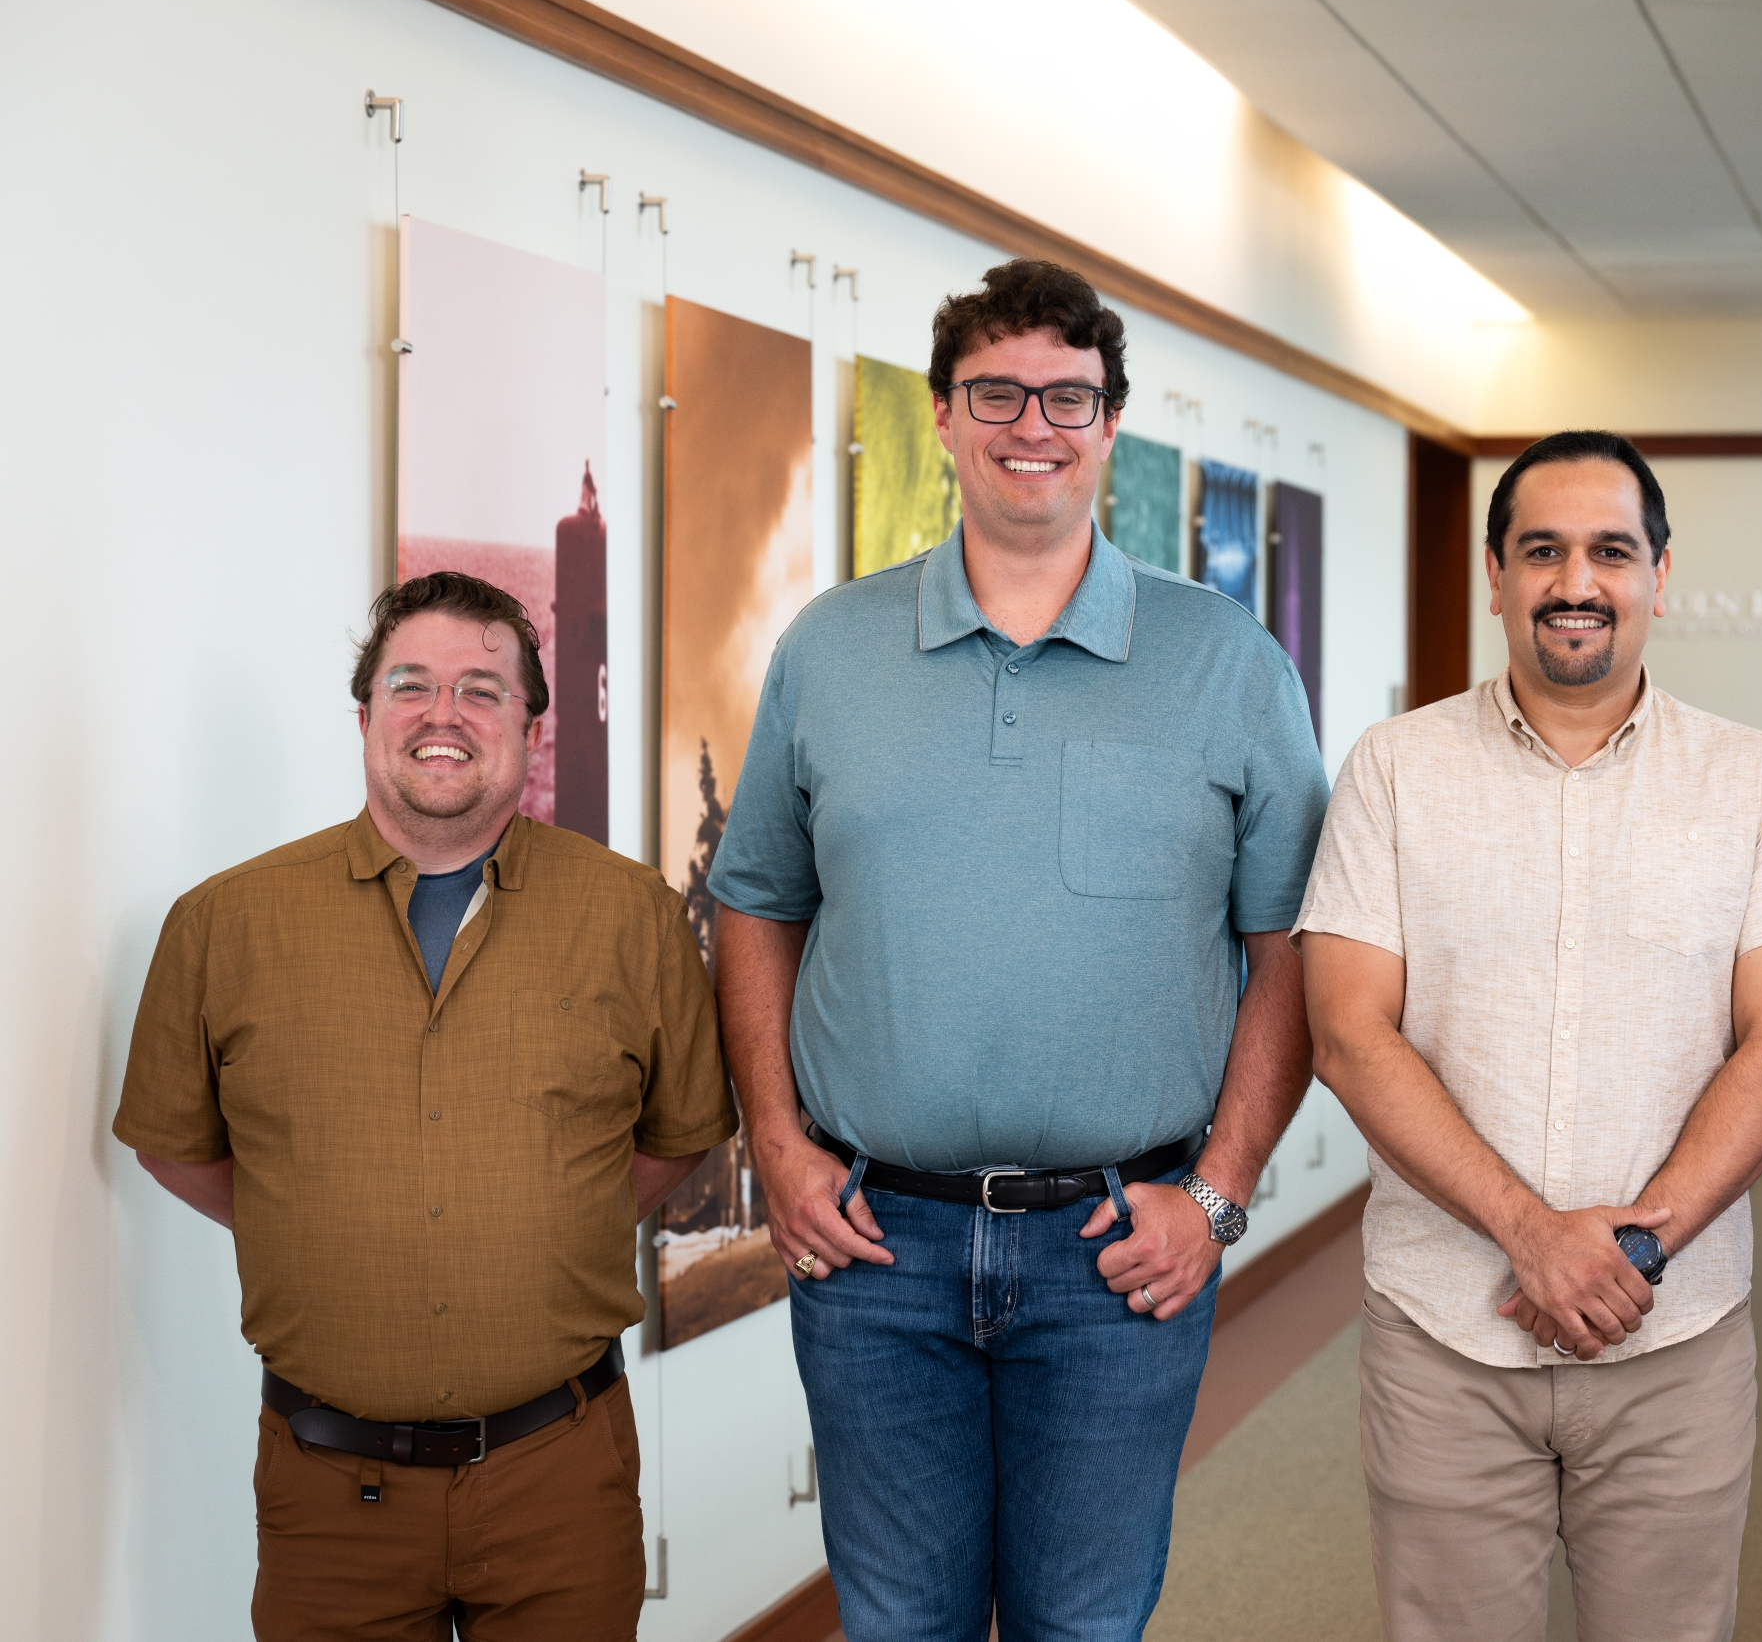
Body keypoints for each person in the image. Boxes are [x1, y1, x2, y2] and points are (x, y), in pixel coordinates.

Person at [709, 257, 1330, 1642]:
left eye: (1067, 394)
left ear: (1112, 422)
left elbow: (1291, 949)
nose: (1031, 423)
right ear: (942, 415)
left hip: (1121, 1243)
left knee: (1083, 1623)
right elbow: (754, 899)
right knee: (898, 1622)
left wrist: (1220, 1195)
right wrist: (778, 1142)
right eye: (996, 390)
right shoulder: (832, 648)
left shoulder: (1229, 661)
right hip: (876, 1245)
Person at [113, 571, 737, 1640]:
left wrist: (552, 1219)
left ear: (531, 729)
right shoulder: (220, 925)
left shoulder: (631, 916)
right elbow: (179, 1150)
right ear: (365, 715)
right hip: (327, 1496)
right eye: (412, 684)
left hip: (562, 1479)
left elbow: (678, 1137)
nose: (444, 713)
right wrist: (313, 1213)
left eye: (484, 689)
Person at [1298, 429, 1762, 1642]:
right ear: (1495, 573)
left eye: (1609, 549)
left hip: (1677, 1333)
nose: (1575, 581)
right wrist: (1530, 1235)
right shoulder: (1393, 771)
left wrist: (1629, 1251)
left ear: (1658, 573)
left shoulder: (1757, 782)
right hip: (1445, 1331)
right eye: (1541, 550)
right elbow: (1346, 1033)